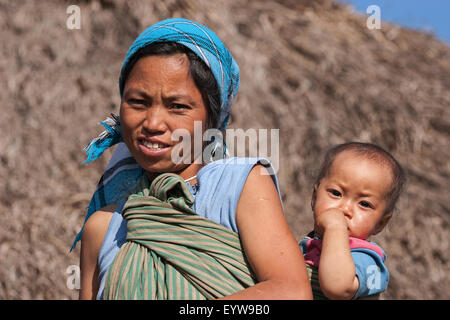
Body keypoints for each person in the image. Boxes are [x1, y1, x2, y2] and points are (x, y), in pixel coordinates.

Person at [72, 18, 312, 300]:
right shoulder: (102, 229)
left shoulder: (239, 187)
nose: (153, 122)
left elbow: (291, 291)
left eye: (177, 106)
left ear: (212, 117)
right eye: (138, 102)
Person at [299, 142, 406, 300]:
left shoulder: (366, 259)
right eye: (336, 193)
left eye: (364, 204)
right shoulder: (309, 245)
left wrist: (336, 227)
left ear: (381, 224)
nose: (345, 209)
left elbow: (336, 287)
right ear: (314, 197)